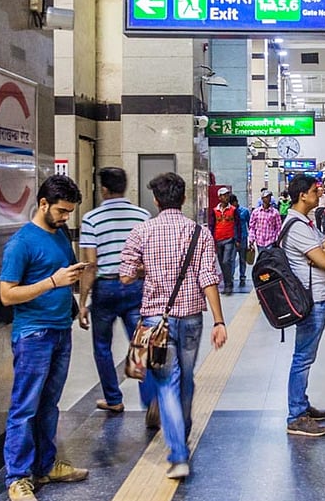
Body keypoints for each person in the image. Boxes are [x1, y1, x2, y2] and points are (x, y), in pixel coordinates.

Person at [119, 172, 227, 480]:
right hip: (193, 318)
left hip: (156, 321)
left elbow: (125, 276)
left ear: (155, 200)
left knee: (166, 383)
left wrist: (146, 270)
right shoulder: (200, 232)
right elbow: (209, 278)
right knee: (187, 377)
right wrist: (220, 320)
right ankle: (184, 429)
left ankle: (178, 454)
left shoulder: (141, 232)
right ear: (183, 199)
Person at [0, 175, 90, 501]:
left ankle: (45, 466)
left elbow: (64, 272)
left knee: (49, 404)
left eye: (70, 211)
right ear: (43, 204)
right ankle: (18, 476)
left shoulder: (61, 234)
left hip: (59, 330)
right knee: (25, 406)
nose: (67, 217)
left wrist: (76, 304)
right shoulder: (21, 243)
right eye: (63, 211)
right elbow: (7, 295)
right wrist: (52, 282)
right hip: (33, 334)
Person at [77, 167, 154, 420]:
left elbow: (90, 265)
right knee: (141, 344)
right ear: (125, 187)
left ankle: (113, 399)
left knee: (102, 346)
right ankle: (150, 399)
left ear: (104, 189)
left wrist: (83, 301)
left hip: (105, 289)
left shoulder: (91, 219)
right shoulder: (142, 216)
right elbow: (149, 258)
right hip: (135, 286)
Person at [281, 176, 325, 437]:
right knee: (303, 357)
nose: (320, 194)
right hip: (312, 299)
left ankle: (301, 405)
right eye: (316, 191)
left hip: (316, 297)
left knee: (305, 355)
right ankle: (296, 415)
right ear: (303, 195)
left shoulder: (307, 223)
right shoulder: (298, 227)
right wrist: (324, 254)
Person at [209, 186, 237, 295]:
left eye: (227, 195)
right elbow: (212, 225)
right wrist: (211, 238)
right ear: (219, 197)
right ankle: (227, 283)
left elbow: (237, 224)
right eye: (224, 195)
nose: (226, 197)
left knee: (226, 261)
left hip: (229, 239)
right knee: (222, 263)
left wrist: (237, 238)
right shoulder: (215, 211)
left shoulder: (233, 210)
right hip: (218, 239)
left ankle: (228, 285)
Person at [231, 194, 251, 289]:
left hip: (243, 237)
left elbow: (249, 224)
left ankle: (242, 276)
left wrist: (251, 240)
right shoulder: (230, 211)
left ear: (236, 202)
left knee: (242, 259)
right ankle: (231, 277)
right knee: (232, 259)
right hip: (233, 239)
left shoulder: (245, 211)